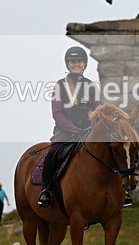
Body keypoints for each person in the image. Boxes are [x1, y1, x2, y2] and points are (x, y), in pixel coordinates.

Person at [39, 46, 101, 208]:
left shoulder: (92, 86)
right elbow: (57, 114)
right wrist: (73, 130)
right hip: (66, 134)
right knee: (52, 153)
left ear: (85, 64)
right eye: (72, 62)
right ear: (67, 64)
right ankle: (46, 190)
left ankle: (121, 190)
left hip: (88, 132)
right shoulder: (60, 86)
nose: (76, 64)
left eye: (79, 61)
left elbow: (99, 109)